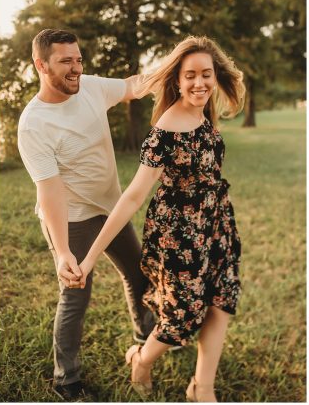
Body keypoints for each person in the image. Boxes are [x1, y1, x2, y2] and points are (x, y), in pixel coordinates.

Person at [76, 36, 245, 402]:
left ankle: (203, 387)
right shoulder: (166, 129)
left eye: (206, 74)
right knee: (182, 316)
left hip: (215, 224)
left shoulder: (205, 110)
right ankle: (141, 359)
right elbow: (134, 195)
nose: (199, 83)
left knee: (221, 299)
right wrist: (88, 259)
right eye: (190, 76)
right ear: (177, 80)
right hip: (179, 235)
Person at [16, 28, 153, 401]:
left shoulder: (89, 86)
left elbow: (133, 86)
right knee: (75, 293)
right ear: (41, 65)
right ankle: (67, 381)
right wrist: (63, 252)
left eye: (78, 59)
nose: (76, 68)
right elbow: (50, 192)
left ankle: (146, 340)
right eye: (65, 62)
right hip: (71, 218)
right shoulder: (34, 125)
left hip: (109, 210)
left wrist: (178, 65)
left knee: (138, 270)